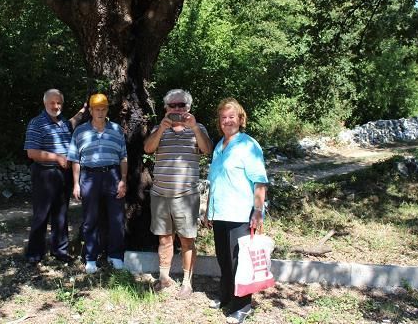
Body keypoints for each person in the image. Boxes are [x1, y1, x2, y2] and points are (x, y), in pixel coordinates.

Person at [204, 98, 268, 324]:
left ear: (241, 119)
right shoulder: (219, 145)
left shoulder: (248, 145)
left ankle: (243, 306)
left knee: (239, 262)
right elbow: (214, 181)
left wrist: (258, 211)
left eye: (232, 117)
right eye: (223, 117)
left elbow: (259, 182)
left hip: (240, 214)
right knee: (224, 260)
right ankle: (226, 297)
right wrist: (207, 212)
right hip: (220, 213)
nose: (227, 121)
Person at [144, 89, 212, 299]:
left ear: (188, 108)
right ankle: (164, 278)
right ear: (165, 109)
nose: (176, 109)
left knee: (187, 240)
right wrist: (161, 130)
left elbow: (207, 149)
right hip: (161, 194)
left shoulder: (197, 128)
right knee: (164, 239)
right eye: (172, 106)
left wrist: (194, 127)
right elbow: (148, 148)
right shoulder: (158, 128)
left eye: (181, 105)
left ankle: (187, 283)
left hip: (186, 195)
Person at [67, 93, 128, 274]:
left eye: (103, 109)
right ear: (91, 111)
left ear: (107, 110)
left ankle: (115, 255)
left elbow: (123, 156)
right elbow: (75, 159)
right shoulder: (80, 131)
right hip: (89, 177)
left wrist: (123, 179)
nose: (100, 112)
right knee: (90, 219)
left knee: (116, 219)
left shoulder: (117, 130)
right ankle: (91, 257)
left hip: (112, 175)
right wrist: (76, 184)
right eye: (97, 109)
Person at [24, 89, 86, 264]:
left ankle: (60, 251)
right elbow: (32, 153)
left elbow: (73, 122)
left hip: (63, 175)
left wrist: (82, 112)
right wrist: (58, 158)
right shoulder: (36, 123)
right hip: (45, 174)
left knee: (61, 214)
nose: (56, 106)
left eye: (59, 103)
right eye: (52, 102)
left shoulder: (64, 122)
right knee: (41, 214)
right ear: (45, 103)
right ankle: (34, 254)